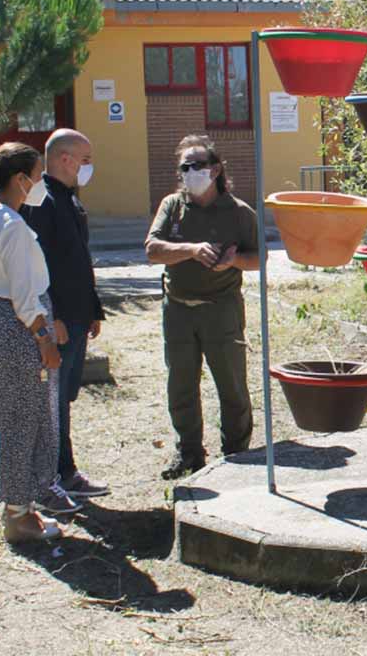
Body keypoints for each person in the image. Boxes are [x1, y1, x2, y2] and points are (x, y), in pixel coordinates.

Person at [145, 135, 260, 479]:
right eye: (185, 167)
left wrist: (234, 260)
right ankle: (189, 452)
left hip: (221, 309)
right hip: (178, 309)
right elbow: (152, 249)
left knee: (232, 384)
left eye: (198, 165)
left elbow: (259, 258)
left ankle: (236, 453)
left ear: (216, 169)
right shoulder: (172, 206)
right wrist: (192, 250)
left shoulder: (239, 212)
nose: (191, 172)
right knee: (180, 384)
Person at [0, 142, 63, 542]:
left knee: (8, 419)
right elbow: (24, 296)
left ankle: (22, 509)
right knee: (26, 421)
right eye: (38, 176)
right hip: (22, 332)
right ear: (22, 180)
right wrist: (45, 339)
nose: (42, 183)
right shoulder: (13, 226)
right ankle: (18, 516)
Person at [20, 129, 109, 509]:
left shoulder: (68, 198)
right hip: (58, 320)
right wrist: (50, 315)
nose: (89, 167)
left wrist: (92, 309)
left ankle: (62, 472)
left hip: (76, 317)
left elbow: (77, 259)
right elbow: (38, 265)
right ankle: (58, 475)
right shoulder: (41, 200)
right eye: (85, 159)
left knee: (64, 397)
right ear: (64, 159)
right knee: (53, 401)